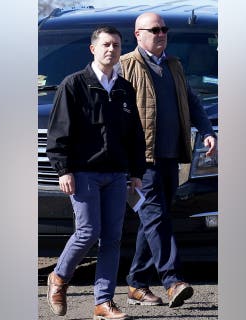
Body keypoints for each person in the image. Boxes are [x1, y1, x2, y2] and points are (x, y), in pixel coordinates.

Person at [118, 12, 218, 308]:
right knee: (155, 217)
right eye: (155, 30)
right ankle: (173, 280)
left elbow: (192, 101)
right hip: (140, 160)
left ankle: (136, 283)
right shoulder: (125, 66)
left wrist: (208, 131)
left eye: (164, 29)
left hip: (170, 157)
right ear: (138, 34)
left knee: (154, 221)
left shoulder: (173, 65)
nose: (161, 34)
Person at [45, 25, 146, 320]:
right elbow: (59, 132)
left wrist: (136, 171)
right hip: (83, 172)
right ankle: (59, 277)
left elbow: (134, 135)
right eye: (105, 44)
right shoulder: (73, 85)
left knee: (113, 238)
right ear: (93, 49)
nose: (111, 50)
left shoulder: (125, 89)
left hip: (116, 174)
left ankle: (103, 303)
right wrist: (63, 169)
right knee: (89, 231)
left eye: (116, 45)